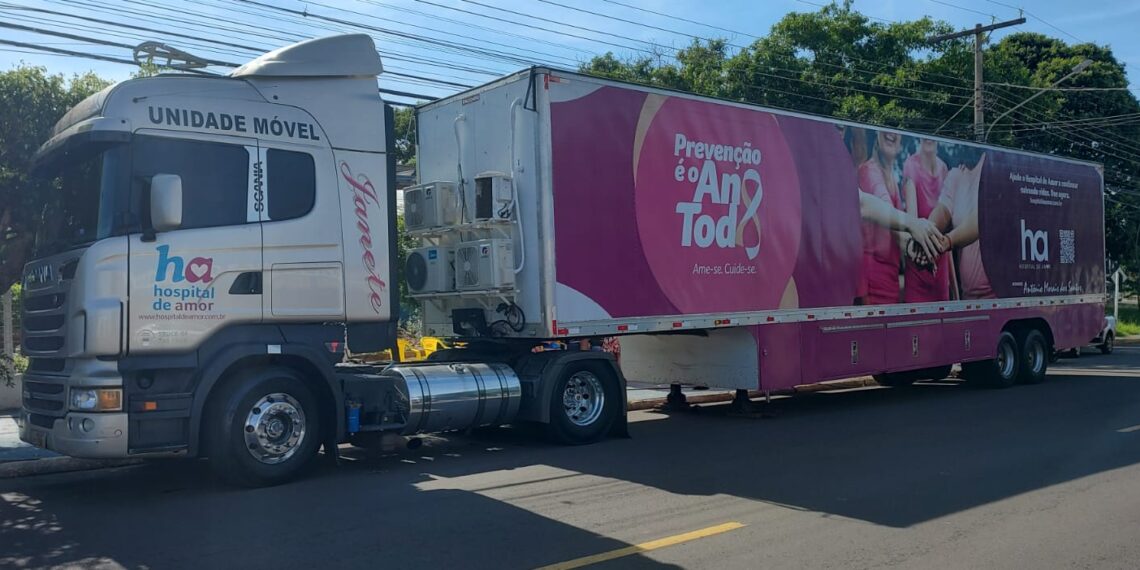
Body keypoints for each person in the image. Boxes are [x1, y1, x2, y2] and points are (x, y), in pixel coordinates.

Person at [856, 130, 946, 305]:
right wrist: (915, 225)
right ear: (876, 134)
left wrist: (912, 248)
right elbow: (884, 207)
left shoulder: (893, 179)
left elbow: (896, 232)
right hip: (872, 286)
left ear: (901, 141)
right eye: (885, 127)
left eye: (896, 129)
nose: (891, 132)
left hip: (891, 283)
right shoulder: (869, 170)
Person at [927, 154, 993, 299]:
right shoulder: (956, 175)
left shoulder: (992, 168)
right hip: (968, 296)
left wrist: (946, 241)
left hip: (997, 296)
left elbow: (983, 217)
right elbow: (943, 210)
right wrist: (927, 234)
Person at [902, 138, 951, 302]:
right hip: (918, 266)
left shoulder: (944, 168)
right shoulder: (911, 165)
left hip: (941, 270)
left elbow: (947, 231)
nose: (929, 137)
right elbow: (912, 221)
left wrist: (954, 288)